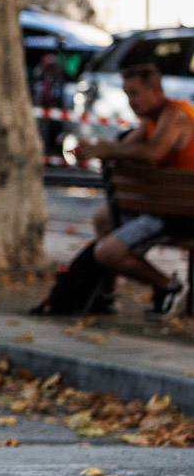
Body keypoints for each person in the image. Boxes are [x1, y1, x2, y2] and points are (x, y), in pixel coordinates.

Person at [73, 62, 194, 317]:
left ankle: (167, 286)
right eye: (127, 94)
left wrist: (111, 149)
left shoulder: (175, 115)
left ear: (154, 90)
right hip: (162, 205)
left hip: (179, 214)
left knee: (106, 251)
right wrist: (96, 149)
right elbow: (125, 149)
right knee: (103, 217)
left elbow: (152, 151)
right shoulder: (150, 120)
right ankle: (105, 295)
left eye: (135, 93)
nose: (131, 102)